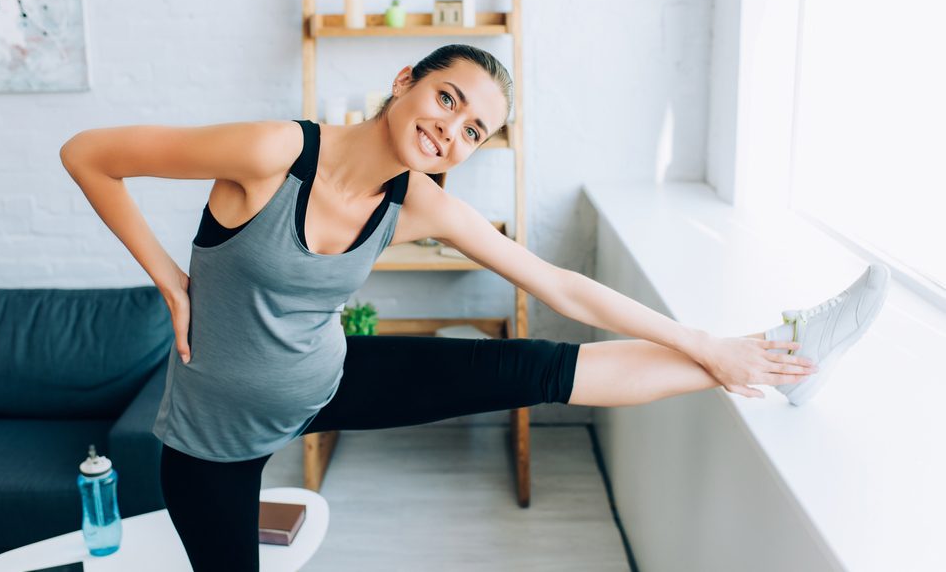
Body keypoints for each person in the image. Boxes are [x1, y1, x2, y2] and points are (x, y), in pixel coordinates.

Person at [59, 43, 889, 571]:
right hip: (213, 443)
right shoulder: (273, 152)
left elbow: (558, 285)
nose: (453, 130)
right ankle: (758, 354)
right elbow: (89, 155)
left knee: (538, 366)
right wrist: (170, 279)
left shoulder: (413, 201)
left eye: (476, 131)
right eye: (449, 99)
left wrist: (705, 343)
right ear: (404, 82)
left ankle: (778, 355)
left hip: (326, 379)